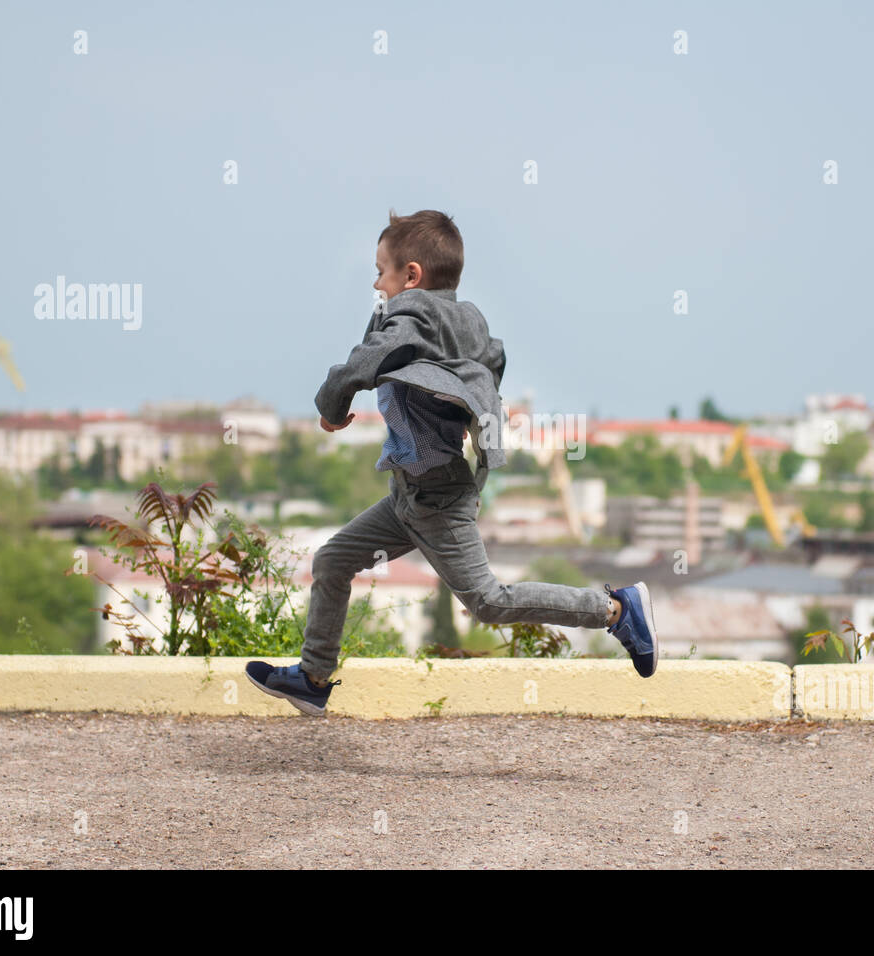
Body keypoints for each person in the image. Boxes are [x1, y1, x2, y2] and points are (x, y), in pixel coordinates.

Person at [246, 210, 657, 716]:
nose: (376, 283)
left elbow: (357, 366)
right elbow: (492, 361)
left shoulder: (412, 322)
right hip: (408, 495)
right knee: (332, 560)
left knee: (487, 601)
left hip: (437, 496)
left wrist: (330, 411)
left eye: (381, 271)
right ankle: (312, 677)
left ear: (412, 275)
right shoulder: (462, 320)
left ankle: (616, 610)